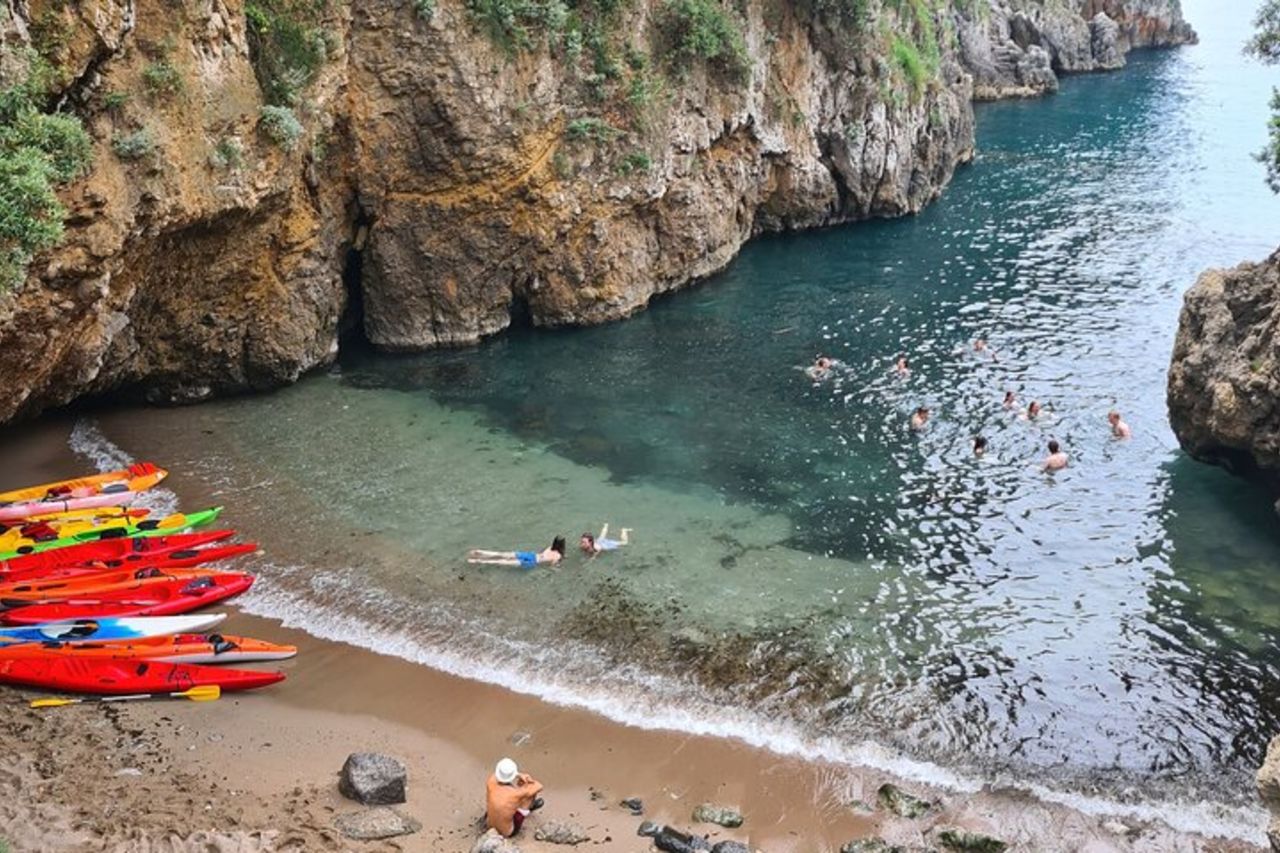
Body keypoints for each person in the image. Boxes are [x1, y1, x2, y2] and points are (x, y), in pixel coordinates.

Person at [486, 758, 544, 837]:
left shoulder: (490, 782)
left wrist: (519, 775)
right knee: (528, 798)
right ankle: (528, 808)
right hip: (507, 832)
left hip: (490, 827)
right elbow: (539, 786)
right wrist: (528, 778)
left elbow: (496, 775)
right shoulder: (516, 794)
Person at [468, 537, 566, 569]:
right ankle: (476, 561)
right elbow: (552, 566)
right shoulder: (558, 555)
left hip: (531, 555)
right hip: (533, 562)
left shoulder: (550, 547)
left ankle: (480, 552)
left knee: (501, 554)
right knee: (502, 562)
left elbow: (542, 553)